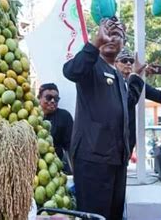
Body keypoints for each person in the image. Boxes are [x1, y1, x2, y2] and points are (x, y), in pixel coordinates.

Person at [63, 17, 145, 219]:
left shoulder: (118, 74)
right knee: (95, 215)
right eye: (107, 32)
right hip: (93, 160)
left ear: (124, 43)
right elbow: (71, 71)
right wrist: (93, 44)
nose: (110, 37)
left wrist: (134, 77)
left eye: (116, 34)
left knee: (113, 214)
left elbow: (127, 103)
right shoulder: (91, 65)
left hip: (117, 160)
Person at [38, 83, 74, 174]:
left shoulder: (64, 116)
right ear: (39, 98)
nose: (53, 101)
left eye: (56, 98)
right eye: (48, 97)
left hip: (55, 168)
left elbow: (70, 146)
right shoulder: (31, 115)